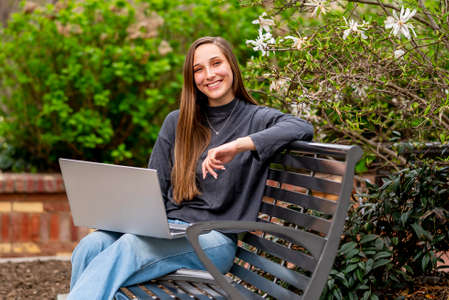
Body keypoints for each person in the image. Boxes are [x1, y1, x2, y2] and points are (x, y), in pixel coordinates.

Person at [67, 36, 313, 300]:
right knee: (91, 246)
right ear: (191, 78)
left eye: (216, 63)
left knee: (130, 247)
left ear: (231, 65)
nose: (209, 74)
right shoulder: (177, 122)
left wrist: (238, 146)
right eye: (198, 69)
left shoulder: (255, 118)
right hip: (168, 232)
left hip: (213, 240)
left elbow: (301, 127)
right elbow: (156, 191)